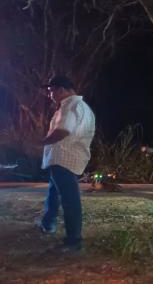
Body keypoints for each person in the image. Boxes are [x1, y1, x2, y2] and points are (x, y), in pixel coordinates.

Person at [37, 75, 96, 253]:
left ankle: (73, 240)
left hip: (63, 157)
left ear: (61, 90)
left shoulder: (69, 105)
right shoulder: (83, 107)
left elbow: (62, 131)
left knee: (70, 199)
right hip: (70, 157)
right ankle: (48, 223)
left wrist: (41, 142)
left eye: (51, 91)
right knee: (54, 191)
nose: (50, 95)